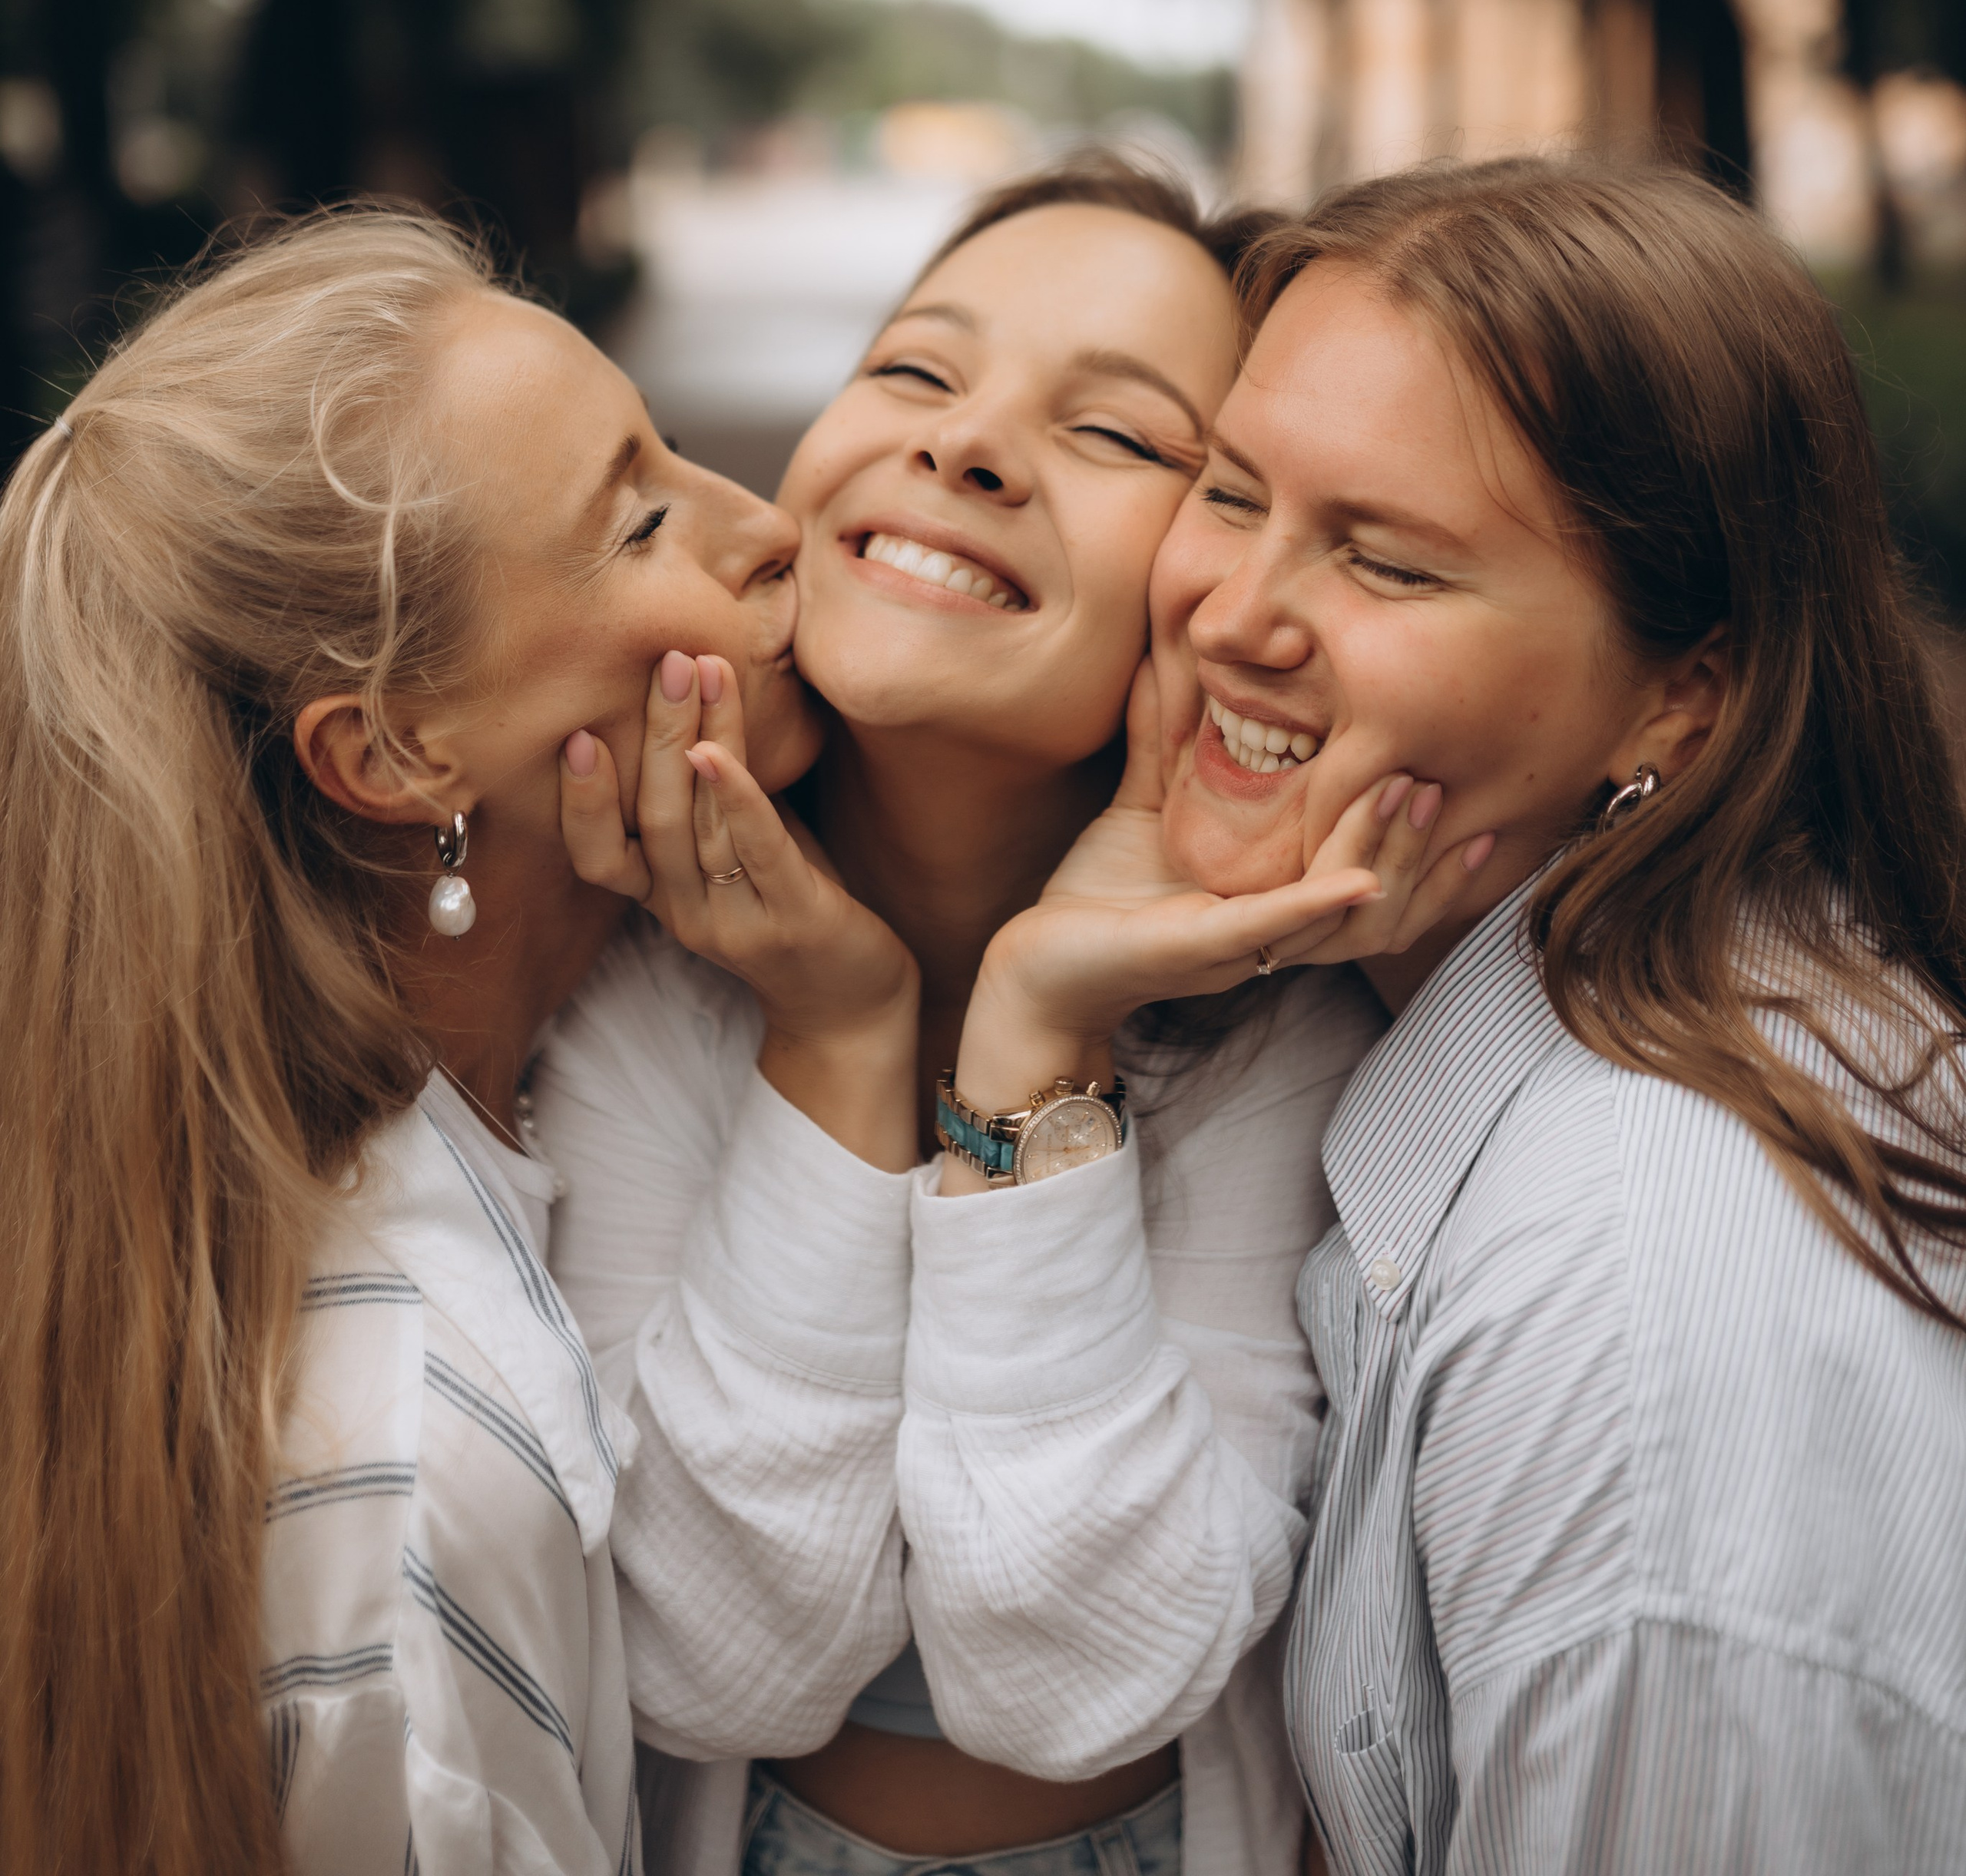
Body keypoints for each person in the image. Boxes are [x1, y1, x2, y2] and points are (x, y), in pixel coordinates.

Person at [535, 157, 1400, 1876]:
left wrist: (1034, 1049)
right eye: (916, 369)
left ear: (1222, 573)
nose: (967, 444)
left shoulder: (1275, 1038)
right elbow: (708, 1661)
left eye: (1119, 434)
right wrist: (836, 1037)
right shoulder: (637, 984)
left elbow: (1084, 1682)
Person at [0, 206, 864, 1876]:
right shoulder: (415, 1475)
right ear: (396, 753)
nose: (771, 526)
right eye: (643, 521)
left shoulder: (508, 1106)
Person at [1137, 159, 1966, 1873]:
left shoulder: (1635, 1307)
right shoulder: (1537, 1043)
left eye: (1386, 564)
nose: (1229, 612)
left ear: (1681, 697)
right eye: (1228, 489)